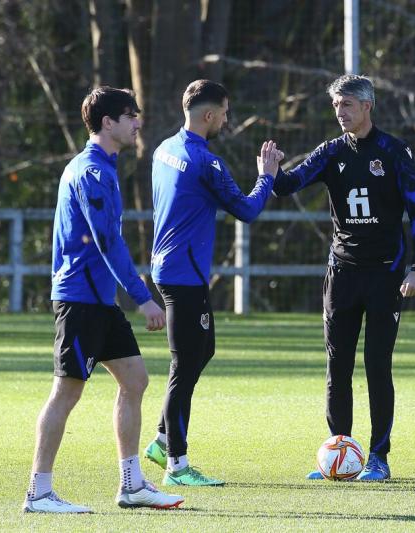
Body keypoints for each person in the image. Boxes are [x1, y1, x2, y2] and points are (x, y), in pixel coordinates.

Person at [23, 86, 184, 513]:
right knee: (66, 392)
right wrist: (143, 297)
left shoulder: (105, 168)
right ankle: (38, 493)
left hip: (100, 301)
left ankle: (132, 486)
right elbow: (107, 241)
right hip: (80, 301)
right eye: (130, 116)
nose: (137, 123)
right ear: (108, 122)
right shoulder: (91, 172)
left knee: (135, 381)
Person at [272, 74, 415, 481]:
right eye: (336, 106)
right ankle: (340, 451)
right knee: (337, 365)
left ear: (367, 107)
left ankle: (378, 456)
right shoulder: (330, 152)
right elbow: (288, 185)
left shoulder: (393, 152)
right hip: (341, 273)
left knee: (377, 364)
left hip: (386, 275)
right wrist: (269, 171)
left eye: (347, 105)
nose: (340, 112)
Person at [143, 79, 282, 486]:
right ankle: (177, 466)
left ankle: (161, 440)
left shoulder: (164, 149)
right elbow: (247, 209)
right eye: (223, 112)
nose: (226, 118)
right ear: (208, 115)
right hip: (184, 274)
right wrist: (267, 175)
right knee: (184, 365)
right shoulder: (207, 162)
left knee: (203, 349)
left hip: (168, 267)